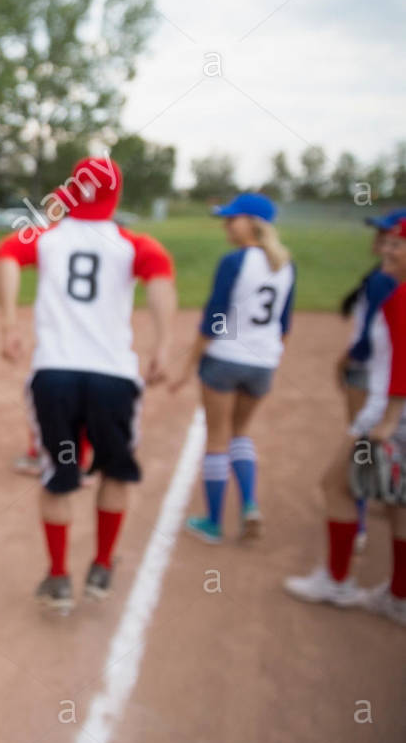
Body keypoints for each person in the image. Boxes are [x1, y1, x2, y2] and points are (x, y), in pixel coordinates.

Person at [0, 156, 176, 612]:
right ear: (116, 193)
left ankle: (58, 577)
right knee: (115, 472)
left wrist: (9, 324)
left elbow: (7, 254)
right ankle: (101, 566)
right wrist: (164, 344)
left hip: (55, 372)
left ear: (71, 189)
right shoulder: (133, 243)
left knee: (58, 476)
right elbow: (160, 279)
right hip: (113, 375)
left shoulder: (47, 239)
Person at [283, 216, 406, 626]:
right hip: (391, 404)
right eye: (387, 243)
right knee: (399, 501)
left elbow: (398, 360)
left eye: (396, 244)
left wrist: (387, 417)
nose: (387, 250)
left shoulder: (398, 295)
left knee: (335, 485)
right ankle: (398, 595)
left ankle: (337, 581)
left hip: (390, 408)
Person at [170, 193, 296, 544]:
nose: (227, 225)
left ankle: (213, 521)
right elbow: (284, 324)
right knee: (240, 433)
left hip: (225, 359)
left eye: (232, 219)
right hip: (262, 362)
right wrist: (268, 356)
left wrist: (187, 367)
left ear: (252, 224)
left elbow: (214, 320)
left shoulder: (235, 261)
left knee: (217, 436)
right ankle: (250, 504)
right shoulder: (286, 264)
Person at [336, 209, 403, 551]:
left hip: (373, 379)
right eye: (382, 234)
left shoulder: (384, 280)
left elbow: (368, 339)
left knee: (353, 464)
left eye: (391, 237)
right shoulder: (381, 276)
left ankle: (356, 526)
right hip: (383, 381)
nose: (380, 241)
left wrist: (346, 361)